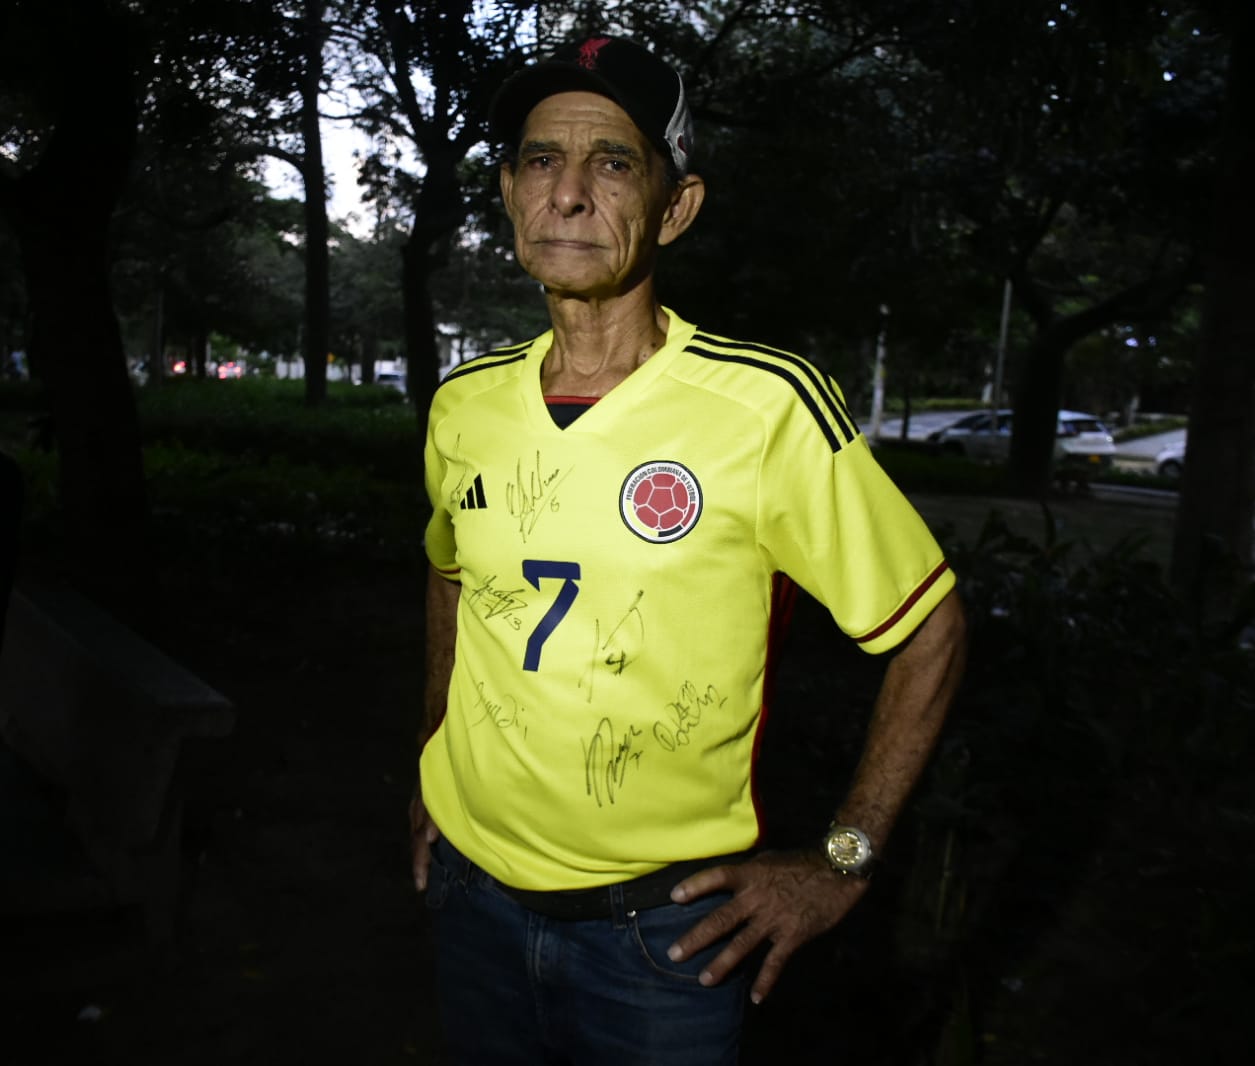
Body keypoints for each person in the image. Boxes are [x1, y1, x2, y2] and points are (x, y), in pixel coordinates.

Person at [408, 35, 968, 1064]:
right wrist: (431, 760)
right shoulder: (464, 404)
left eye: (612, 162)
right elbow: (452, 576)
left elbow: (927, 625)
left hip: (659, 941)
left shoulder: (765, 408)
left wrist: (844, 858)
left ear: (677, 207)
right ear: (507, 191)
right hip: (470, 900)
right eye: (540, 159)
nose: (568, 192)